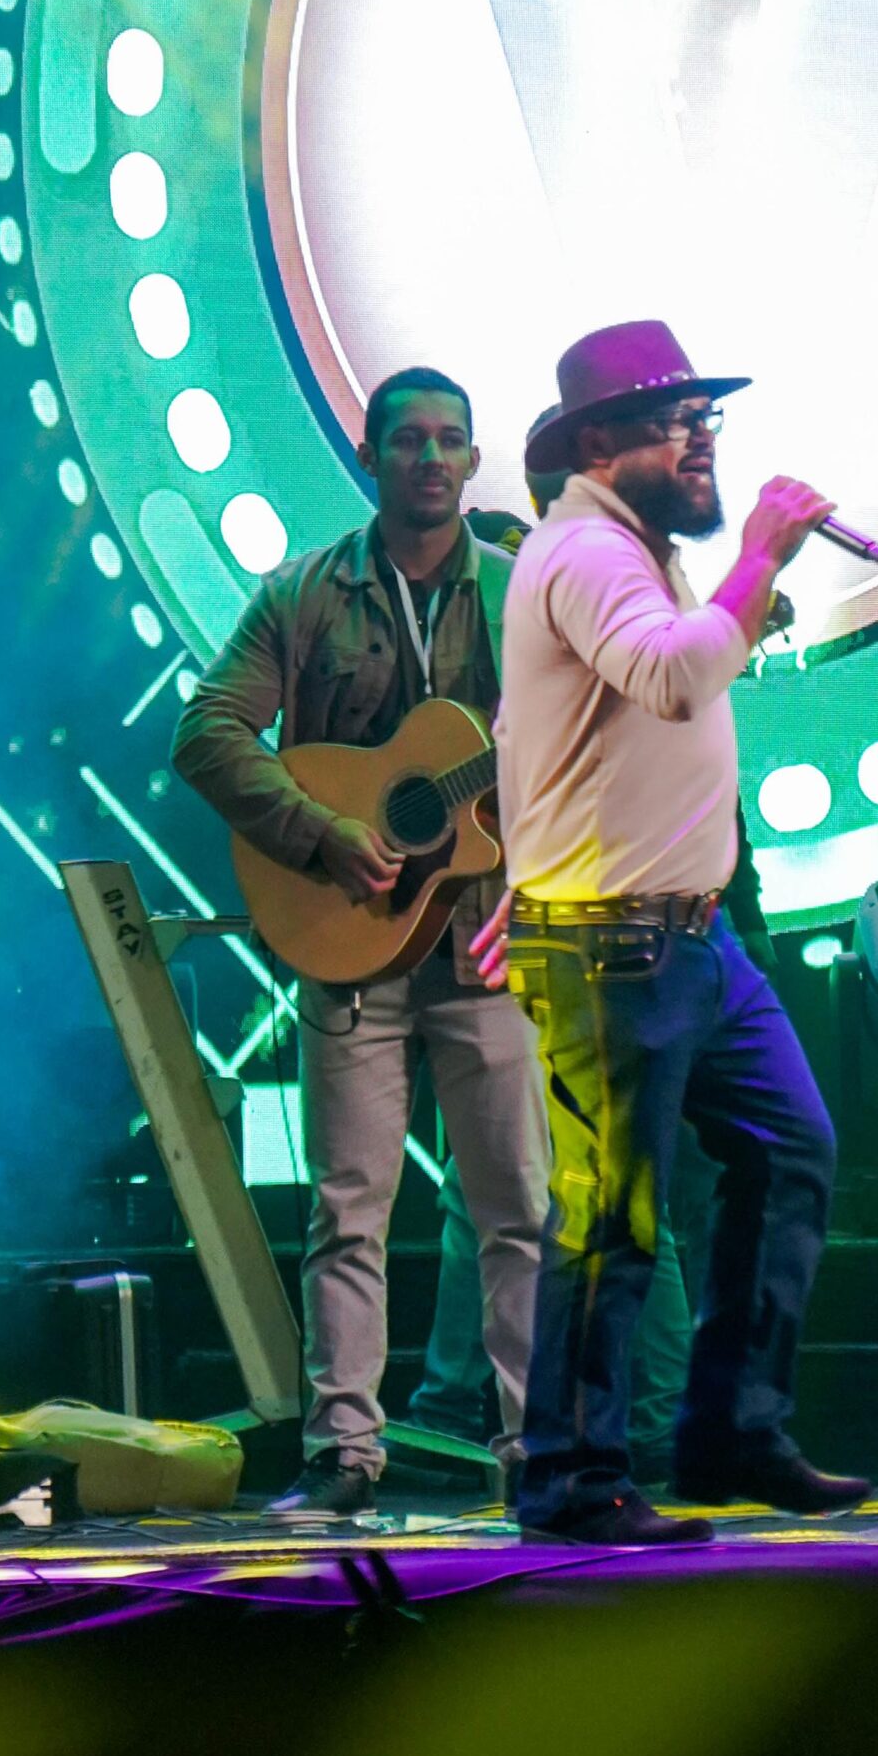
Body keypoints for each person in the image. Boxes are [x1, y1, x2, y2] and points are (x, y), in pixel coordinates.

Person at [476, 320, 869, 1546]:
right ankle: (570, 1479)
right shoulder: (586, 550)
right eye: (674, 422)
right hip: (613, 949)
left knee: (789, 1147)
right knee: (611, 1219)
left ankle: (731, 1430)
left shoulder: (638, 551)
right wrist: (758, 560)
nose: (701, 442)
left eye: (706, 420)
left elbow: (541, 737)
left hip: (690, 939)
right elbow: (671, 679)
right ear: (599, 443)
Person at [172, 367, 550, 1516]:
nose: (430, 459)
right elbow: (207, 731)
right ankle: (343, 1452)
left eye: (449, 440)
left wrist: (534, 873)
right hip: (349, 948)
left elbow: (578, 751)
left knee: (519, 1212)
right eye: (408, 440)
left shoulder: (524, 596)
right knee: (347, 1210)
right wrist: (323, 831)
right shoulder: (302, 592)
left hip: (483, 945)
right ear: (369, 455)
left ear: (473, 461)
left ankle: (539, 1452)